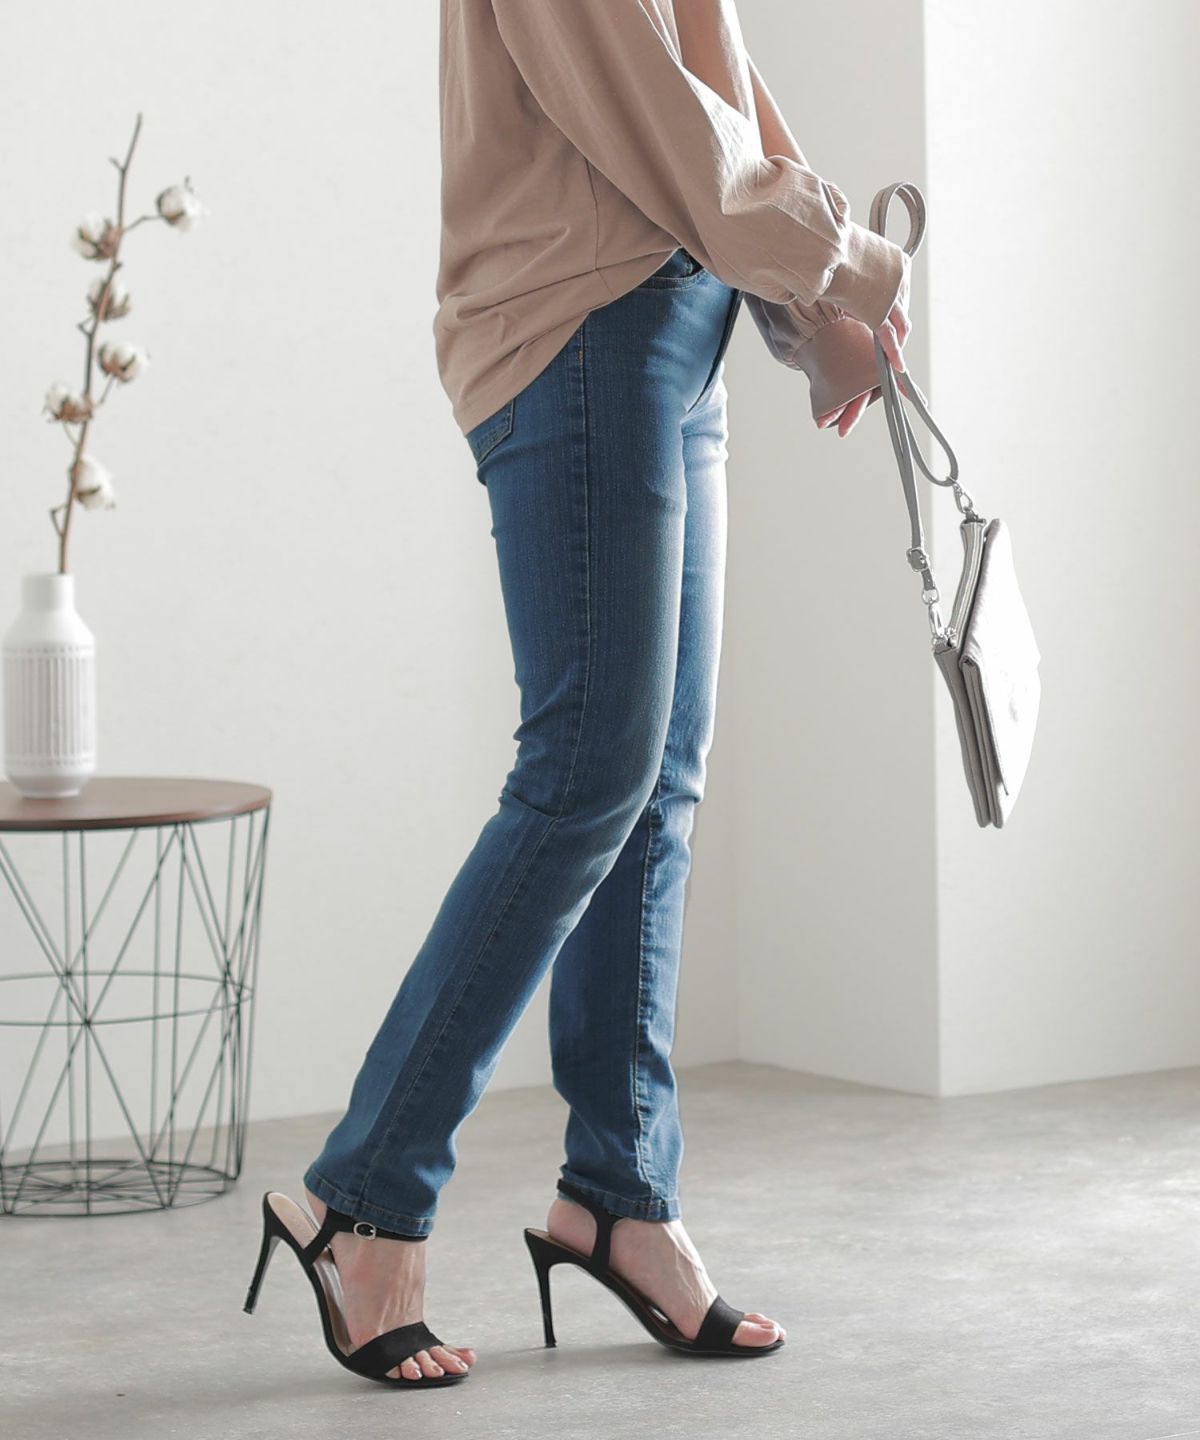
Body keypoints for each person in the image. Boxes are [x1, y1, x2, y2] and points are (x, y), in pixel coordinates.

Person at [256, 0, 911, 1388]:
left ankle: (621, 1199)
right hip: (582, 326)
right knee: (587, 775)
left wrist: (815, 308)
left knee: (655, 780)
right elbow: (667, 125)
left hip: (674, 327)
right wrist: (852, 265)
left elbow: (718, 87)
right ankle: (361, 1199)